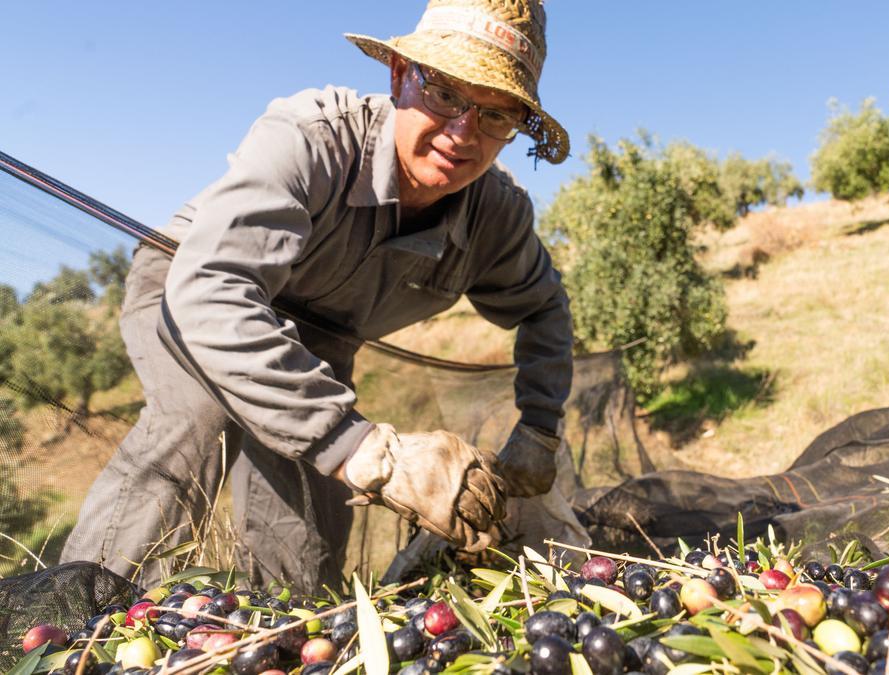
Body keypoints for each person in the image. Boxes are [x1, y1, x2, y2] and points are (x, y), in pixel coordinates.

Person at [59, 0, 582, 592]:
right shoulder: (312, 137)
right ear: (399, 77)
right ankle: (78, 621)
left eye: (495, 116)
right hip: (192, 280)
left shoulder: (497, 217)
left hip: (320, 333)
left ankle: (281, 628)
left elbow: (544, 309)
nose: (463, 133)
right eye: (444, 95)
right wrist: (364, 450)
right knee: (203, 413)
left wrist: (540, 426)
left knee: (310, 521)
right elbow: (212, 291)